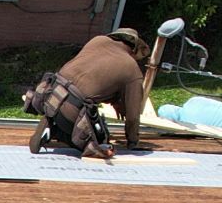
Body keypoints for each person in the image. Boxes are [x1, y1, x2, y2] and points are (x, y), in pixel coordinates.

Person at [24, 29, 150, 159]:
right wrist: (132, 142)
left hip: (49, 94)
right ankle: (62, 134)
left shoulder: (97, 41)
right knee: (102, 142)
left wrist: (114, 100)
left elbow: (92, 81)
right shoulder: (131, 68)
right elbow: (133, 116)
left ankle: (51, 121)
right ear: (134, 49)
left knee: (68, 103)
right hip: (73, 110)